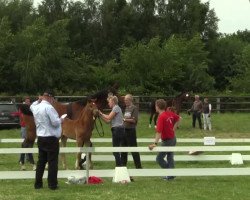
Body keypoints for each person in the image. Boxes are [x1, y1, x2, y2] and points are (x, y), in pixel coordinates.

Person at [30, 90, 63, 190]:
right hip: (51, 138)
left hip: (40, 137)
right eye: (53, 98)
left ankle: (38, 184)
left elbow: (31, 106)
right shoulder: (49, 107)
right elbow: (55, 122)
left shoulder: (36, 107)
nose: (53, 100)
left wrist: (38, 100)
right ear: (50, 97)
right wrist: (61, 119)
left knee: (41, 162)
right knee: (52, 162)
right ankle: (52, 184)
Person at [148, 99, 181, 181]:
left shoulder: (161, 117)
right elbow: (179, 118)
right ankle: (171, 175)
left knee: (159, 159)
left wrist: (155, 143)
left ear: (158, 107)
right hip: (173, 139)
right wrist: (174, 129)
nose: (155, 107)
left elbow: (158, 132)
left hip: (167, 141)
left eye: (155, 105)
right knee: (170, 157)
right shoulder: (168, 113)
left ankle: (170, 173)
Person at [99, 95, 126, 167]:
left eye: (109, 102)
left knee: (115, 150)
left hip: (117, 130)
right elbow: (108, 121)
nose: (108, 104)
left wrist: (101, 113)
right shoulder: (115, 109)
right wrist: (100, 116)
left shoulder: (116, 108)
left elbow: (108, 117)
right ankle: (120, 165)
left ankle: (119, 166)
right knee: (115, 150)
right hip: (117, 130)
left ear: (113, 102)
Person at [123, 94, 142, 169]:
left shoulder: (134, 108)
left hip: (131, 131)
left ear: (130, 100)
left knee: (134, 149)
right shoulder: (126, 108)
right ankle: (123, 166)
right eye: (124, 100)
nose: (125, 101)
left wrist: (124, 119)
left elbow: (134, 120)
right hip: (124, 130)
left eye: (126, 100)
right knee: (123, 149)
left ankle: (138, 166)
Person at [18, 97, 35, 171]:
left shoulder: (31, 108)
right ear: (25, 102)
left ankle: (23, 161)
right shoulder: (23, 109)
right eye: (26, 101)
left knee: (27, 145)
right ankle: (30, 163)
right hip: (25, 127)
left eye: (29, 101)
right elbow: (21, 117)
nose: (28, 102)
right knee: (26, 145)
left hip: (31, 128)